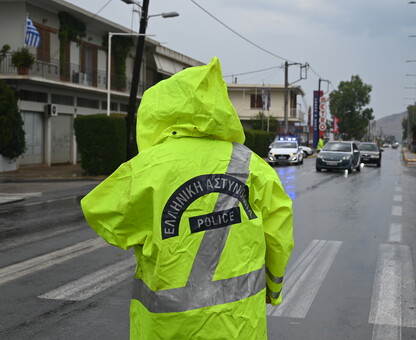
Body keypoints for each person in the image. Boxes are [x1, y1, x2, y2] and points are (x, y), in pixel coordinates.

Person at [81, 57, 294, 339]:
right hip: (240, 327)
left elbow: (100, 212)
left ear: (160, 112)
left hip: (167, 329)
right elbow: (278, 239)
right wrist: (273, 291)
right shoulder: (254, 167)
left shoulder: (146, 169)